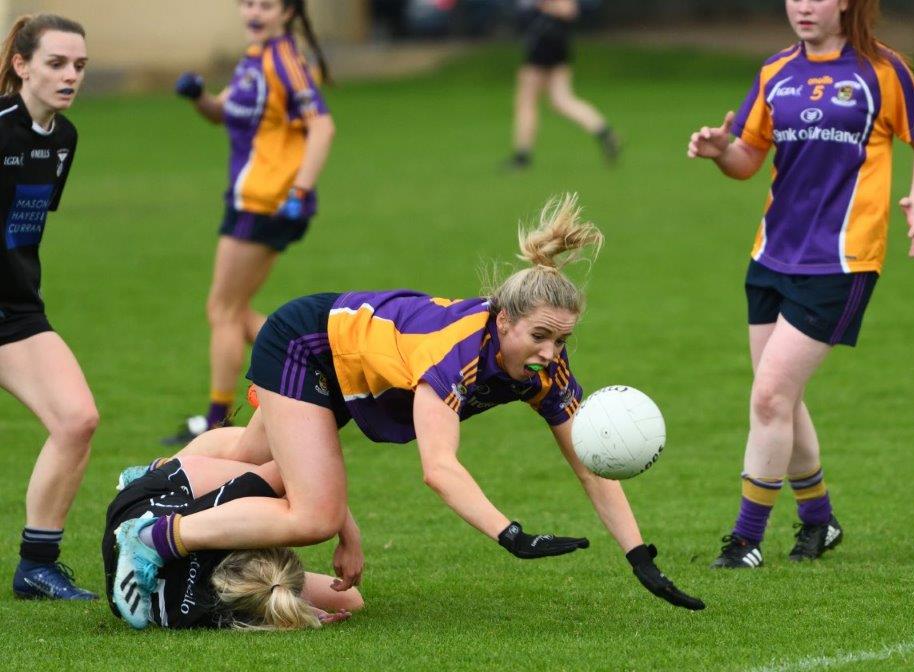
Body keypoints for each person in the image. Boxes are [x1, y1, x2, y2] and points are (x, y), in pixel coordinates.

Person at [114, 194, 705, 619]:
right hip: (306, 345)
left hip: (347, 364)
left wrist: (639, 555)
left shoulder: (541, 369)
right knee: (315, 514)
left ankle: (162, 481)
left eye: (562, 341)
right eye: (540, 337)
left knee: (253, 460)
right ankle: (157, 537)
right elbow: (439, 467)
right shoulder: (455, 357)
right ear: (503, 321)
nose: (551, 354)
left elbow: (587, 460)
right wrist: (511, 535)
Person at [686, 0, 914, 568]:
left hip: (843, 262)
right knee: (780, 397)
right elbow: (748, 157)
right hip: (772, 256)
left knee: (771, 395)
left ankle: (747, 539)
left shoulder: (882, 71)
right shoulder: (775, 72)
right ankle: (819, 522)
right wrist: (718, 151)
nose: (802, 5)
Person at [163, 0, 336, 444]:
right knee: (232, 311)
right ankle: (323, 369)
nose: (254, 12)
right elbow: (222, 114)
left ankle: (217, 419)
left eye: (266, 4)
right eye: (248, 3)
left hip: (269, 200)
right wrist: (198, 96)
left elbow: (322, 125)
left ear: (287, 12)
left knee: (222, 310)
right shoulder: (254, 59)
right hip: (251, 199)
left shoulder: (284, 59)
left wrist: (300, 190)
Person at [0, 14, 98, 600]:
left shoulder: (64, 138)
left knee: (76, 419)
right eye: (57, 63)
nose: (70, 76)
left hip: (16, 311)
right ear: (22, 65)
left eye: (79, 66)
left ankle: (36, 566)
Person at [104, 453, 363, 629]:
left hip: (140, 502)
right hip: (116, 568)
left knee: (251, 449)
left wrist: (349, 537)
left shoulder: (222, 525)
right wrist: (296, 612)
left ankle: (151, 491)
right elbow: (350, 598)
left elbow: (294, 464)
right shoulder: (216, 614)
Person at [505, 0, 620, 170]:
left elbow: (567, 10)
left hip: (544, 43)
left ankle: (522, 156)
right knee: (561, 100)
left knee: (526, 101)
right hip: (558, 42)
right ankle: (605, 133)